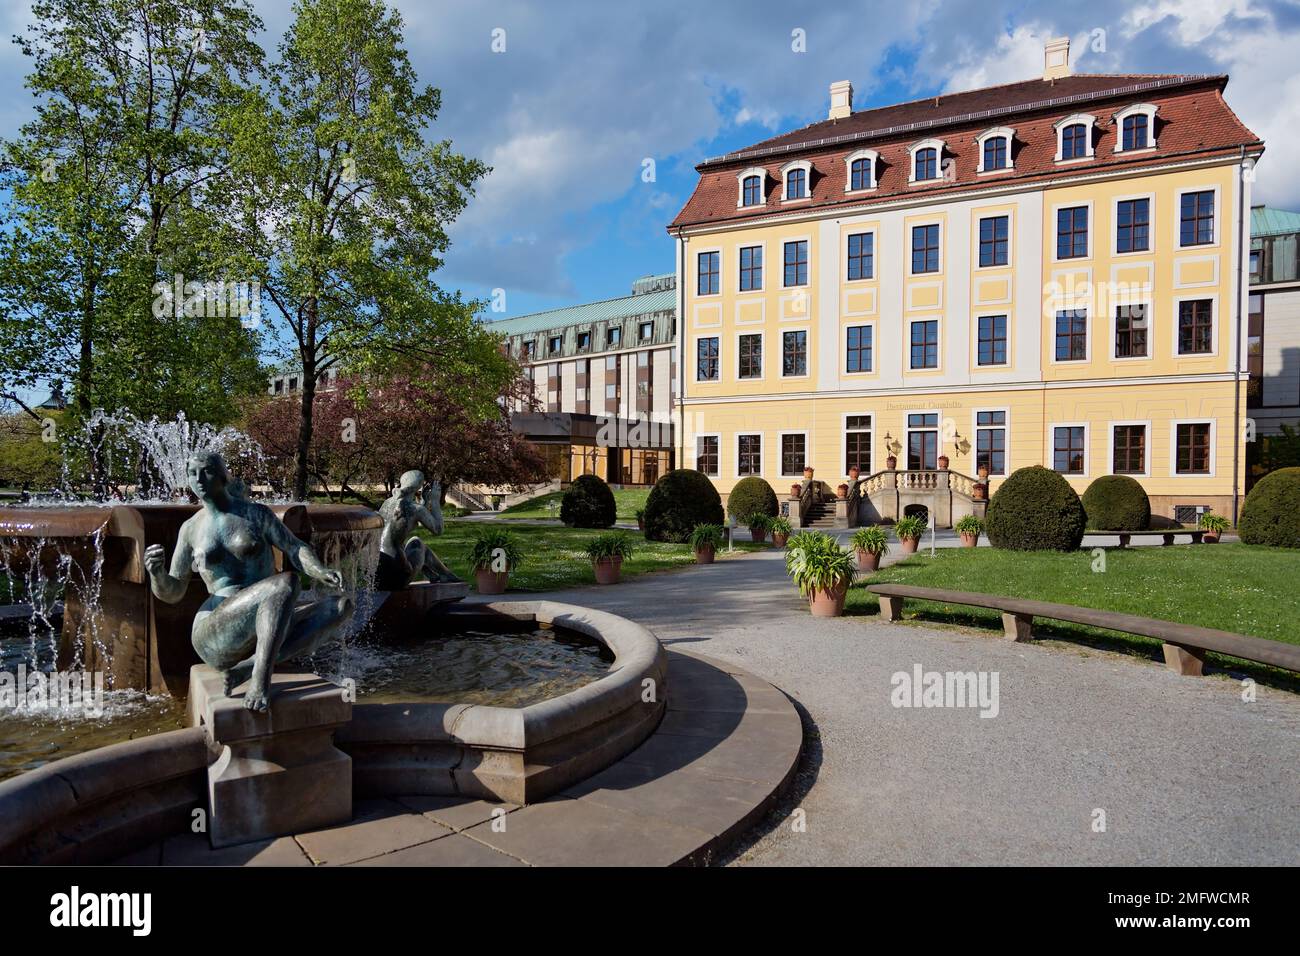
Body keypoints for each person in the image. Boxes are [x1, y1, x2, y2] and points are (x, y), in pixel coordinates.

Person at [143, 452, 352, 712]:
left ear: (222, 476)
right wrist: (157, 574)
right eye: (192, 473)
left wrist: (319, 570)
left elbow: (295, 548)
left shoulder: (256, 515)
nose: (198, 480)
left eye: (206, 472)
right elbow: (173, 592)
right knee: (284, 583)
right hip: (216, 632)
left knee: (342, 606)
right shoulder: (190, 529)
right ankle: (260, 678)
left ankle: (250, 666)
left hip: (266, 619)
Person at [376, 470, 460, 589]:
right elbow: (438, 530)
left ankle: (435, 575)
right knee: (418, 544)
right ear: (419, 486)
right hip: (397, 577)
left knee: (411, 543)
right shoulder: (415, 509)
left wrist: (424, 502)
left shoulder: (387, 503)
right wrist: (435, 501)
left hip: (378, 576)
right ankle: (445, 574)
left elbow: (408, 523)